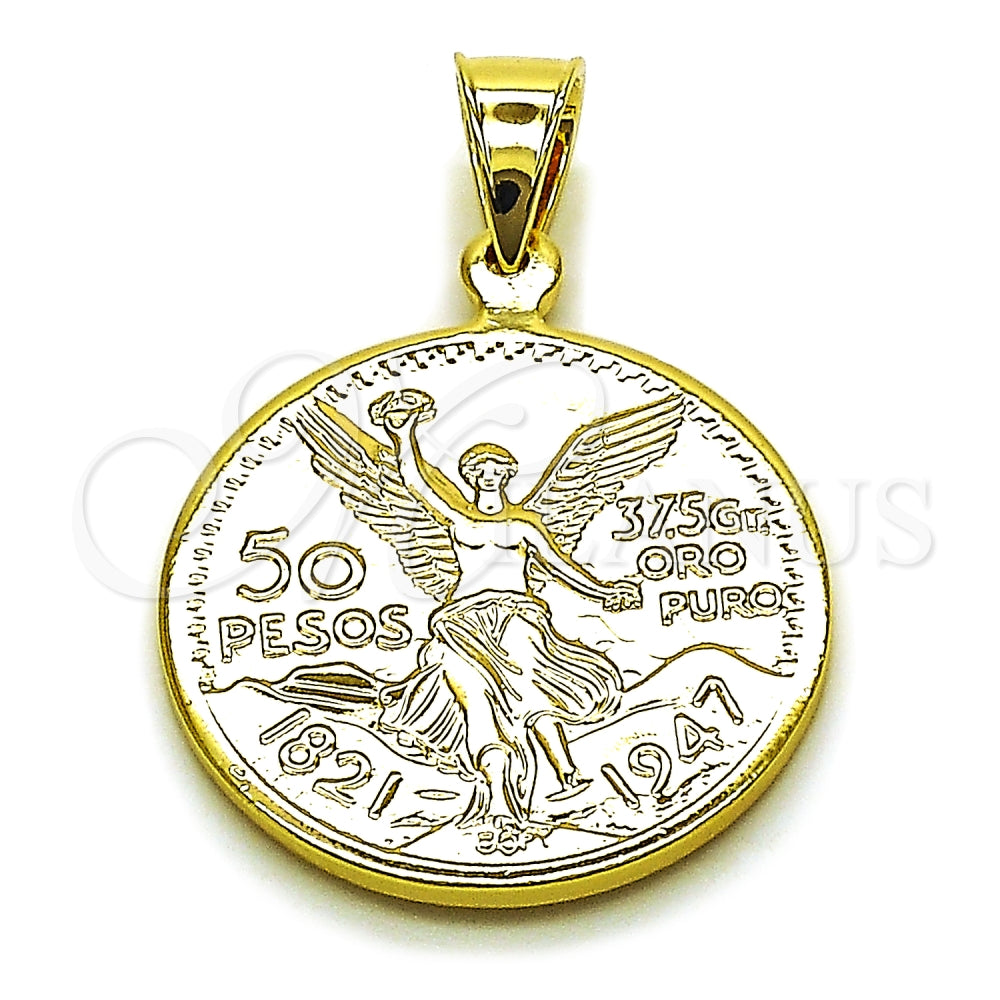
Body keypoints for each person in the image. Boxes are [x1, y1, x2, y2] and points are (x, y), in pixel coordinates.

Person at [376, 409, 641, 854]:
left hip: (517, 612)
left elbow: (561, 569)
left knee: (529, 685)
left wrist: (604, 592)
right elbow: (417, 483)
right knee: (477, 705)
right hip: (462, 621)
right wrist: (404, 435)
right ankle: (499, 797)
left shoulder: (523, 526)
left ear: (508, 475)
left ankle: (566, 773)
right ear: (469, 477)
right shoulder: (459, 521)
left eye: (496, 469)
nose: (488, 476)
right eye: (479, 470)